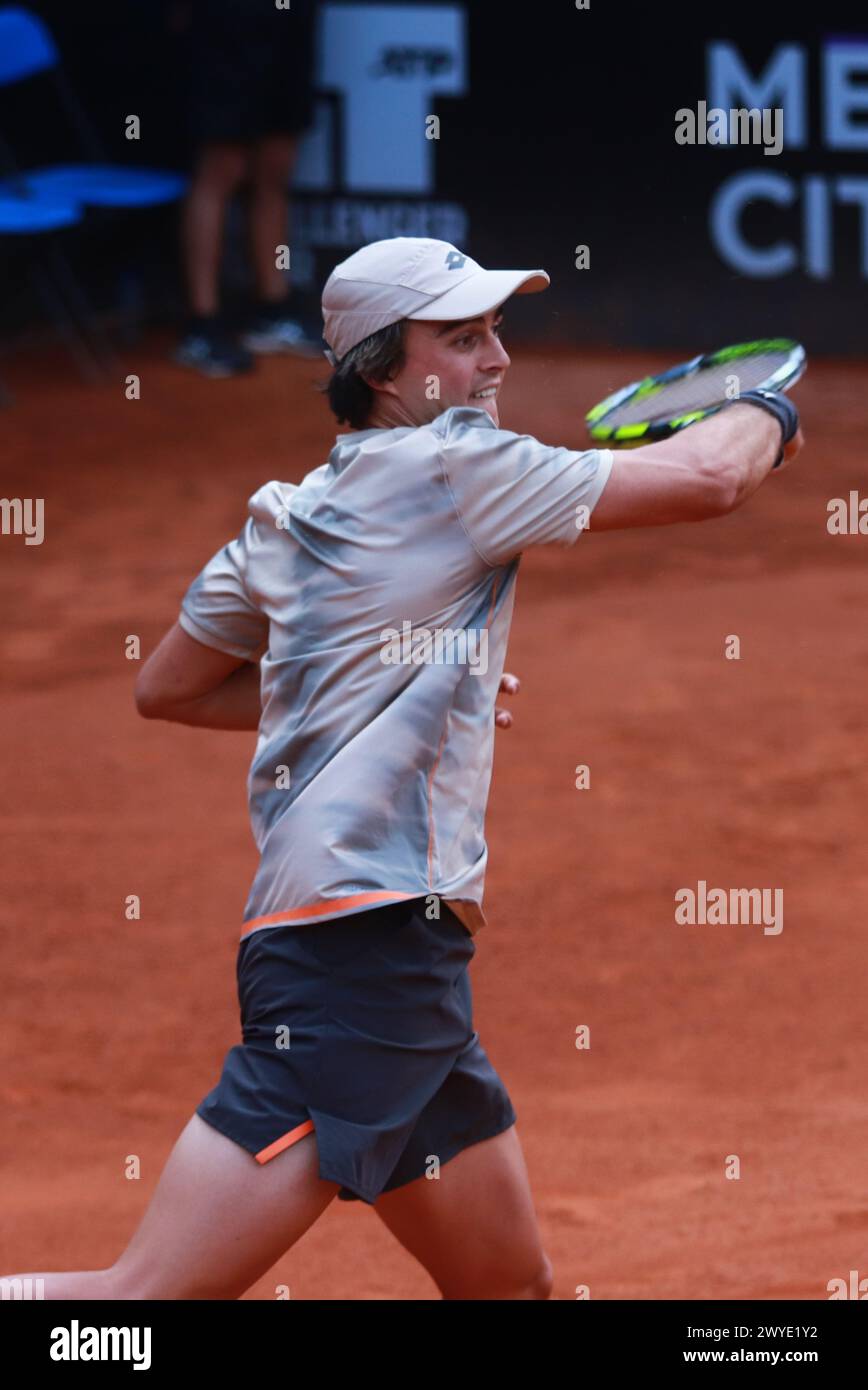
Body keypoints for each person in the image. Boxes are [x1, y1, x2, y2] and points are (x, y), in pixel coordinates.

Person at [4, 237, 803, 1300]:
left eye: (495, 332)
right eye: (462, 338)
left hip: (381, 962)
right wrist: (772, 406)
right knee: (139, 1305)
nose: (497, 360)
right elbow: (711, 476)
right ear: (384, 367)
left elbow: (173, 687)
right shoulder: (459, 465)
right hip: (358, 962)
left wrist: (392, 684)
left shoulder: (282, 521)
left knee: (509, 1289)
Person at [173, 0, 321, 377]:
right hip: (230, 24)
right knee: (222, 168)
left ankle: (273, 308)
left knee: (275, 168)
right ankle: (201, 325)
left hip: (288, 25)